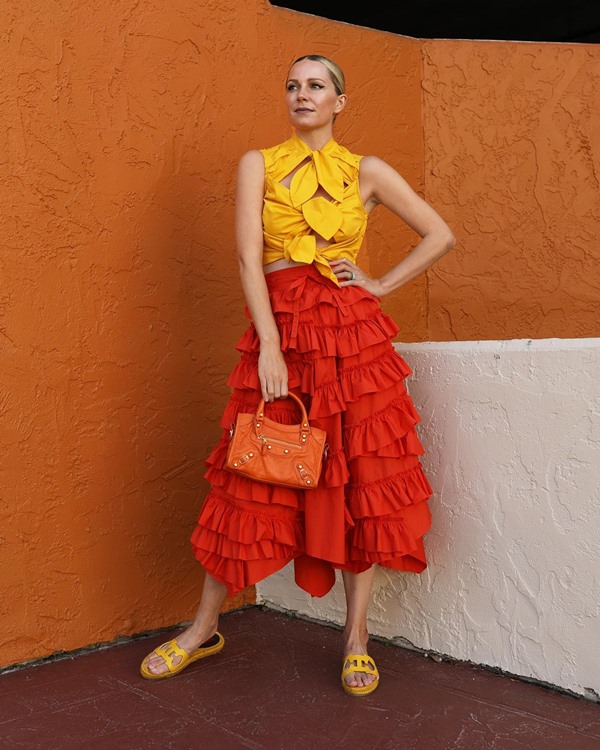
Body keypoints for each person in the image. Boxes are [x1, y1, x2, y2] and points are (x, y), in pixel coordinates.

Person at [140, 54, 455, 696]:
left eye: (316, 87)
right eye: (292, 85)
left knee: (359, 477)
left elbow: (439, 233)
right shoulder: (258, 163)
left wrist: (379, 282)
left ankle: (356, 638)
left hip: (353, 342)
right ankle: (204, 628)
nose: (301, 95)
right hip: (282, 333)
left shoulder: (366, 171)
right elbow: (248, 260)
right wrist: (270, 348)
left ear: (340, 102)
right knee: (246, 476)